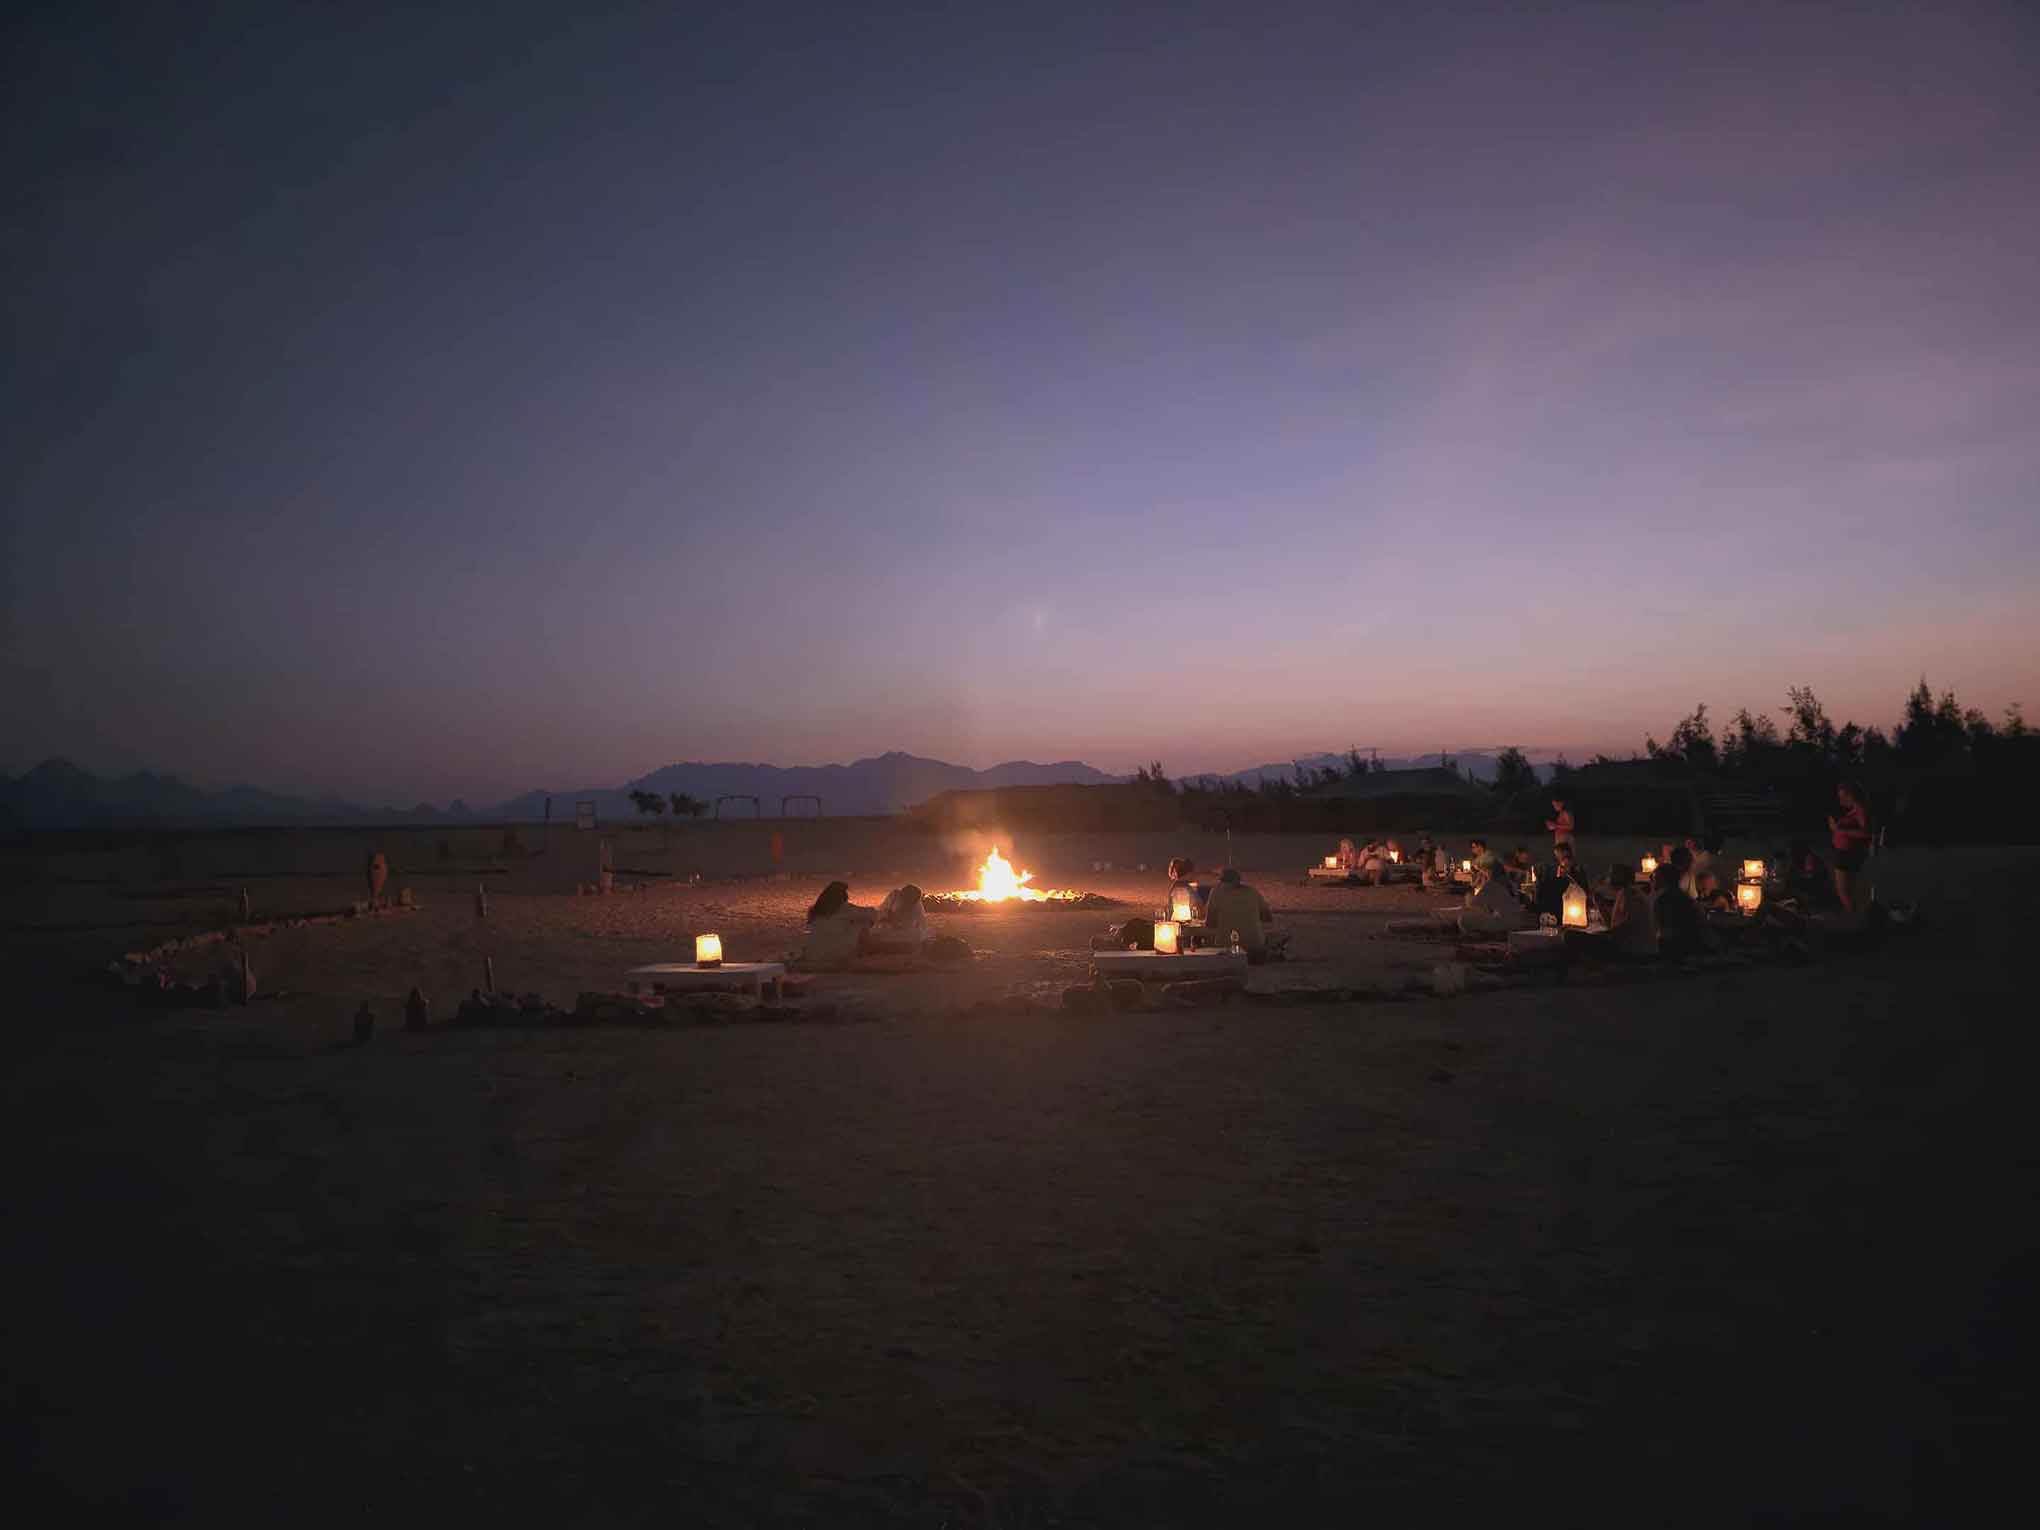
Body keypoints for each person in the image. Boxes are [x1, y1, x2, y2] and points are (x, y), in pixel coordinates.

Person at [1202, 867, 1275, 959]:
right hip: (1255, 945)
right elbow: (1268, 918)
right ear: (1239, 881)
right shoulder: (1252, 891)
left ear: (1221, 881)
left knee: (1206, 942)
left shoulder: (1216, 892)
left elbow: (1210, 923)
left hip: (1226, 946)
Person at [801, 880, 875, 968]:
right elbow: (871, 914)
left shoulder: (816, 910)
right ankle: (864, 953)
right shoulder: (843, 909)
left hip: (814, 953)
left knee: (855, 922)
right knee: (862, 923)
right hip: (834, 954)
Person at [1828, 780, 1873, 914]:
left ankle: (1854, 917)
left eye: (1843, 796)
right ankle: (1856, 916)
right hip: (1845, 853)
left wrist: (1840, 830)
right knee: (1848, 892)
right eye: (1839, 797)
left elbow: (1867, 832)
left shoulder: (1860, 809)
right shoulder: (1856, 810)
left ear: (1852, 795)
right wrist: (1836, 828)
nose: (1841, 800)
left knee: (1844, 892)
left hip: (1847, 854)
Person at [1652, 862, 1713, 960]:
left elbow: (1666, 931)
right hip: (1693, 948)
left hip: (1679, 950)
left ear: (1663, 879)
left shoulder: (1665, 900)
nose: (1653, 881)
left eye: (1655, 877)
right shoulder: (1685, 897)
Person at [1608, 864, 1657, 958]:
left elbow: (1629, 922)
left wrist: (1608, 933)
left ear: (1620, 877)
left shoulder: (1629, 894)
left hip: (1638, 952)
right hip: (1639, 949)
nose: (1609, 878)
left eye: (1611, 874)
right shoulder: (1628, 892)